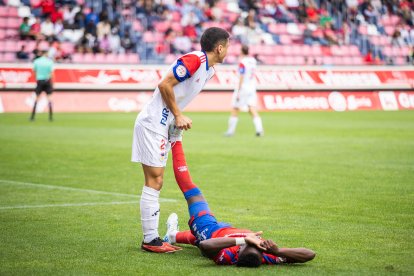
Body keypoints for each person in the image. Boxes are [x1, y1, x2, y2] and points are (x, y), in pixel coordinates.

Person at [131, 27, 230, 253]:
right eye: (228, 47)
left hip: (162, 125)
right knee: (155, 181)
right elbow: (165, 84)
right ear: (220, 47)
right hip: (153, 122)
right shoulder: (194, 60)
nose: (228, 51)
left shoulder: (209, 70)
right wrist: (177, 115)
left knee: (155, 180)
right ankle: (150, 240)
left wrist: (174, 124)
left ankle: (152, 238)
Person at [162, 138, 316, 267]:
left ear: (239, 250)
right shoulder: (268, 256)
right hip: (226, 229)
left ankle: (176, 139)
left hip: (210, 231)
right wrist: (278, 252)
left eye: (245, 245)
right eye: (257, 245)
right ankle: (173, 236)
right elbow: (310, 254)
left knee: (192, 192)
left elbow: (206, 245)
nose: (256, 242)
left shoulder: (226, 255)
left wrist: (243, 239)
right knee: (193, 237)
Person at [225, 45, 264, 137]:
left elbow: (242, 76)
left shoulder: (242, 62)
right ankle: (259, 130)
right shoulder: (253, 61)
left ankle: (230, 131)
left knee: (235, 108)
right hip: (252, 87)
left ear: (242, 52)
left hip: (243, 87)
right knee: (252, 108)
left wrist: (238, 90)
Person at [30, 50, 54, 122]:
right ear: (46, 54)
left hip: (39, 81)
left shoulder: (36, 61)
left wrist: (37, 79)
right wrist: (52, 83)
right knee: (49, 99)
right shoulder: (50, 62)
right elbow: (51, 73)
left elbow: (34, 71)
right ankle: (50, 117)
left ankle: (32, 116)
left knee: (36, 99)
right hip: (47, 81)